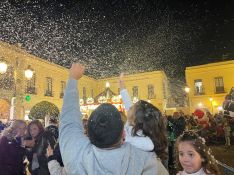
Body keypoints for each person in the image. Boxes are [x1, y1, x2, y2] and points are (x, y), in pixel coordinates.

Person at [59, 63, 168, 175]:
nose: (130, 108)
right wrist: (122, 87)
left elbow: (69, 121)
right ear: (123, 134)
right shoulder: (145, 162)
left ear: (88, 134)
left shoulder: (75, 156)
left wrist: (72, 79)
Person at [119, 73, 168, 163]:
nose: (129, 107)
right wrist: (122, 84)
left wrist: (123, 139)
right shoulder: (131, 123)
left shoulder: (140, 134)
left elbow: (150, 145)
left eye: (132, 107)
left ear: (135, 119)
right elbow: (127, 101)